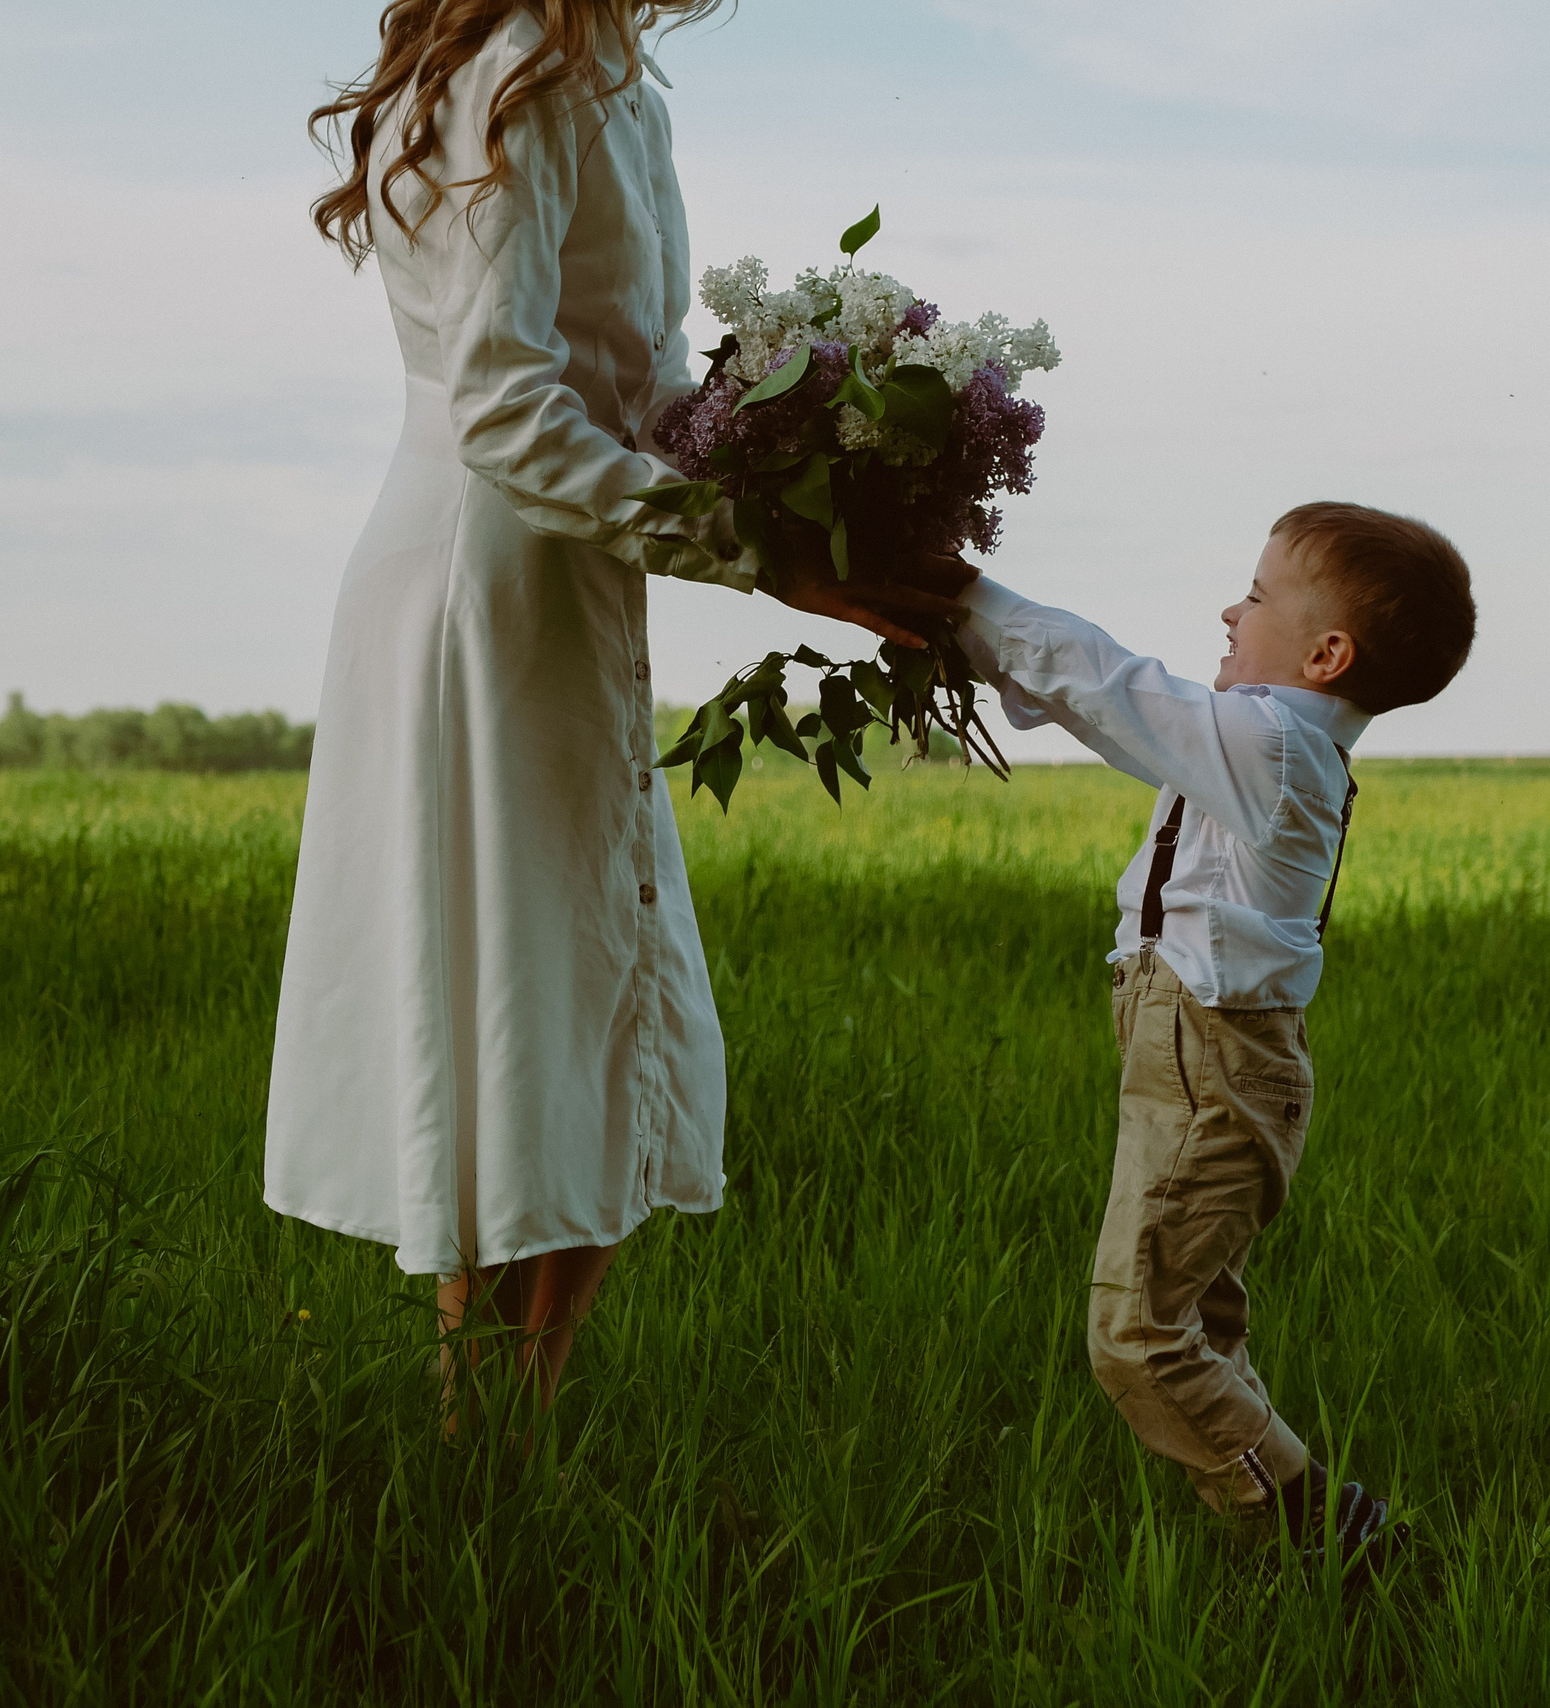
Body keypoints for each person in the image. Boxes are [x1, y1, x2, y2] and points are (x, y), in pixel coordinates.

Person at [265, 0, 951, 1424]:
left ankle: (505, 1424)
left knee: (579, 997)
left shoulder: (619, 84)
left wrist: (811, 449)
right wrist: (766, 555)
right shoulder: (519, 76)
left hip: (563, 570)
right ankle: (485, 1427)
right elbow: (506, 411)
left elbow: (627, 382)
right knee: (528, 993)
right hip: (486, 582)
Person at [904, 503, 1475, 1568]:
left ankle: (1327, 1537)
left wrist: (965, 594)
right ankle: (1294, 1542)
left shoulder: (1272, 746)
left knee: (1137, 1337)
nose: (1228, 607)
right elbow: (1104, 713)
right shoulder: (1261, 744)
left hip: (1215, 1064)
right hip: (1200, 1057)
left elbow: (1112, 687)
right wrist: (951, 632)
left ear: (1325, 653)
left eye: (1254, 595)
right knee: (1195, 1326)